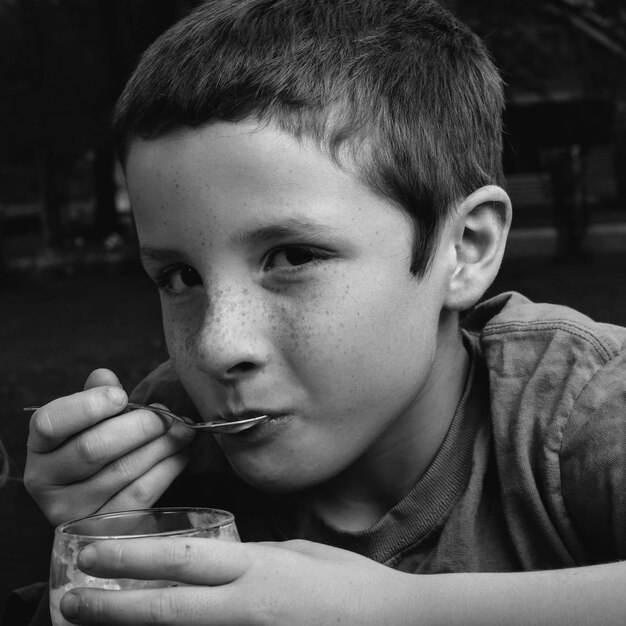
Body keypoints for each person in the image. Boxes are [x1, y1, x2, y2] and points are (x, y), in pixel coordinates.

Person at [17, 0, 626, 624]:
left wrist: (400, 612)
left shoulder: (576, 406)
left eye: (292, 256)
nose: (216, 346)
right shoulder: (170, 463)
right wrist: (96, 548)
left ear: (464, 249)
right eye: (179, 277)